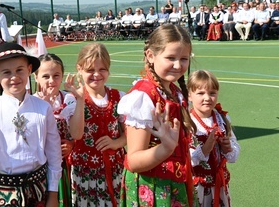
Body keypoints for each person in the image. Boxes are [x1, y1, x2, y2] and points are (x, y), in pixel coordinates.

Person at [0, 42, 62, 206]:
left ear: (29, 70)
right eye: (6, 72)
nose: (14, 77)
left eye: (19, 70)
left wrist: (53, 193)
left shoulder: (43, 108)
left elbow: (53, 152)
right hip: (4, 190)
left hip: (38, 188)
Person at [118, 24, 197, 206]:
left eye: (184, 59)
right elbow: (134, 160)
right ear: (151, 56)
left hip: (174, 182)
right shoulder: (143, 97)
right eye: (170, 58)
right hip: (153, 187)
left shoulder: (174, 91)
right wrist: (166, 149)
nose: (178, 65)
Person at [60, 42, 127, 206]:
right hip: (84, 171)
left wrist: (115, 142)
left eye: (102, 69)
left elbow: (129, 134)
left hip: (113, 168)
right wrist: (81, 99)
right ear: (79, 69)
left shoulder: (119, 97)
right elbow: (76, 134)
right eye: (90, 70)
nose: (96, 74)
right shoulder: (72, 99)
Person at [187, 70, 240, 207]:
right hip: (196, 186)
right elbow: (185, 158)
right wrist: (204, 149)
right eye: (200, 93)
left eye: (212, 93)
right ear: (189, 95)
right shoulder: (187, 122)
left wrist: (228, 148)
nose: (207, 98)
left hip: (219, 185)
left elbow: (233, 154)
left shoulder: (222, 119)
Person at [34, 53, 81, 207]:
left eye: (56, 75)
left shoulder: (69, 100)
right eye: (45, 76)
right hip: (41, 166)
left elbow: (79, 131)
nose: (51, 81)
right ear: (36, 77)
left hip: (66, 165)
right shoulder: (31, 103)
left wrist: (72, 144)